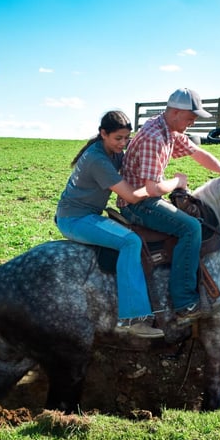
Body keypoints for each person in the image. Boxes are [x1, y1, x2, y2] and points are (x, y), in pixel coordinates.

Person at [117, 88, 220, 325]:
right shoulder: (154, 137)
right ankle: (185, 302)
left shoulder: (169, 130)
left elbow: (197, 152)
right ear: (175, 112)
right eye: (190, 118)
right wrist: (178, 182)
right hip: (139, 204)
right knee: (191, 228)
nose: (192, 124)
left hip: (148, 198)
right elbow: (152, 188)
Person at [55, 110, 163, 338]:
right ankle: (133, 318)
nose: (123, 144)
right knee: (131, 242)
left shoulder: (113, 153)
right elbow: (132, 195)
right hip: (75, 219)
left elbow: (133, 170)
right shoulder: (98, 159)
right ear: (103, 133)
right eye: (118, 138)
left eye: (127, 138)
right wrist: (161, 187)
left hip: (87, 215)